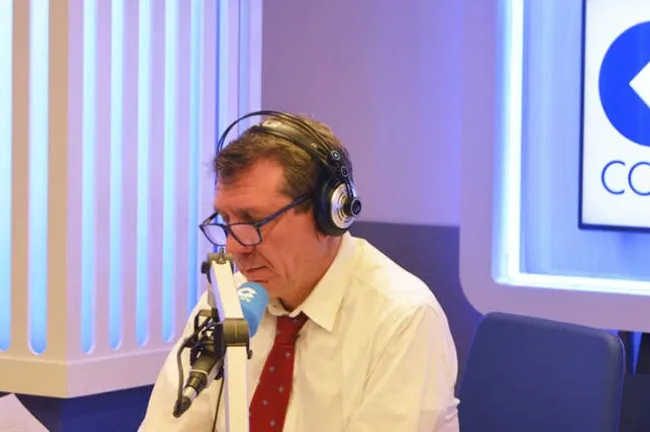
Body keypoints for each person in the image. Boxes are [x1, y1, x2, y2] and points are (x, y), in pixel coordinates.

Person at [139, 111, 460, 431]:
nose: (235, 248)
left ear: (328, 216)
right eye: (225, 221)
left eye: (253, 221)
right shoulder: (231, 299)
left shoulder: (403, 319)